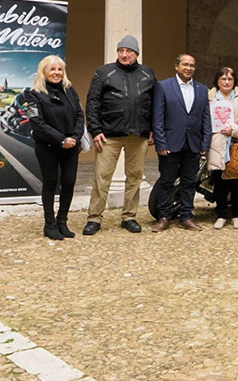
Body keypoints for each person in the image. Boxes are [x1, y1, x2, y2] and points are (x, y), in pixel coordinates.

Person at [83, 35, 157, 236]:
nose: (125, 54)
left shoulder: (147, 74)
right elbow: (93, 103)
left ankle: (129, 216)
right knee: (102, 177)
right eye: (121, 50)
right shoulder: (104, 72)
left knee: (135, 177)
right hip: (109, 135)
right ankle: (94, 218)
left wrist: (153, 129)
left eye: (129, 51)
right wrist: (95, 130)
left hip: (138, 134)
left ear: (136, 54)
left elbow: (156, 103)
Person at [24, 55, 84, 240]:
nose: (57, 73)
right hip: (48, 146)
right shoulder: (34, 94)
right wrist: (61, 140)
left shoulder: (70, 90)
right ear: (44, 72)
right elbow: (37, 123)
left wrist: (74, 137)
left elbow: (80, 115)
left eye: (60, 69)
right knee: (51, 183)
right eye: (52, 69)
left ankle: (62, 222)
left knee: (69, 182)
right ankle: (49, 225)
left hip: (71, 146)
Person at [150, 54, 212, 232]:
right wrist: (161, 143)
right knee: (167, 181)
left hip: (193, 143)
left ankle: (186, 216)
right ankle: (164, 217)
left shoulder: (202, 89)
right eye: (185, 64)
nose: (189, 68)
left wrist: (205, 143)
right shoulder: (163, 86)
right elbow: (158, 117)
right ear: (176, 66)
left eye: (192, 65)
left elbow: (206, 118)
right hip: (170, 143)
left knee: (189, 182)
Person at [206, 67, 238, 230]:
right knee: (219, 181)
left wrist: (235, 129)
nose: (226, 82)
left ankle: (236, 215)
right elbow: (204, 118)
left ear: (234, 82)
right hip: (217, 143)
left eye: (230, 79)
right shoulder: (209, 98)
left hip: (237, 143)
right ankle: (221, 214)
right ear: (217, 81)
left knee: (237, 182)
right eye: (223, 79)